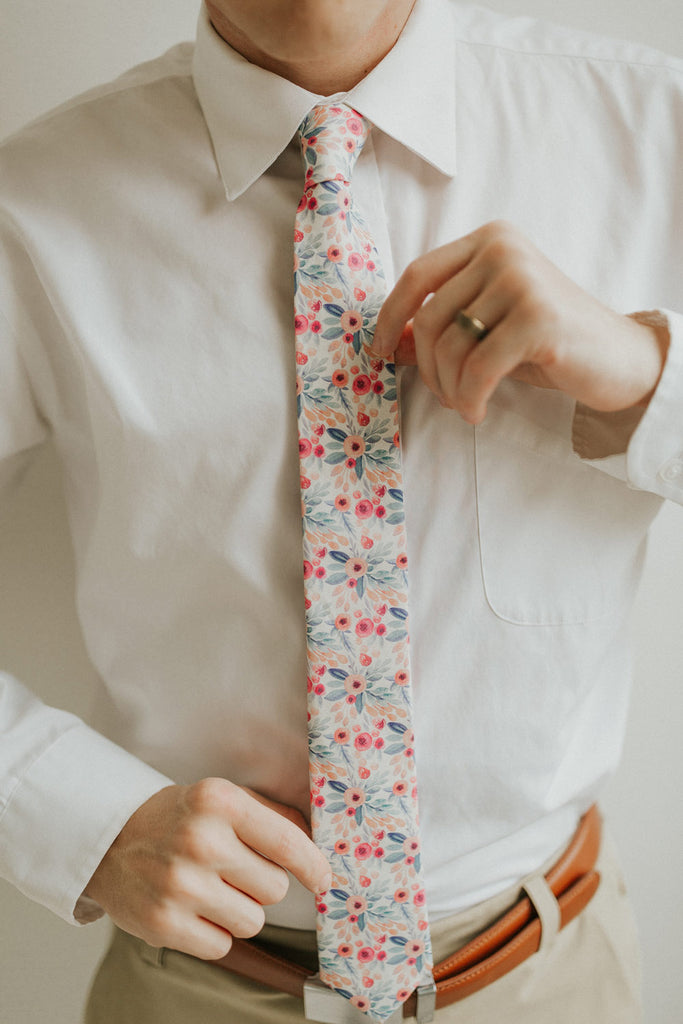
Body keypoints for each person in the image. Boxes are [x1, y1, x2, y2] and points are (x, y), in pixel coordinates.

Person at [0, 0, 681, 1021]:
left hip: (550, 978)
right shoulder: (32, 211)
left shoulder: (648, 123)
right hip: (193, 992)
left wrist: (644, 377)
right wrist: (64, 811)